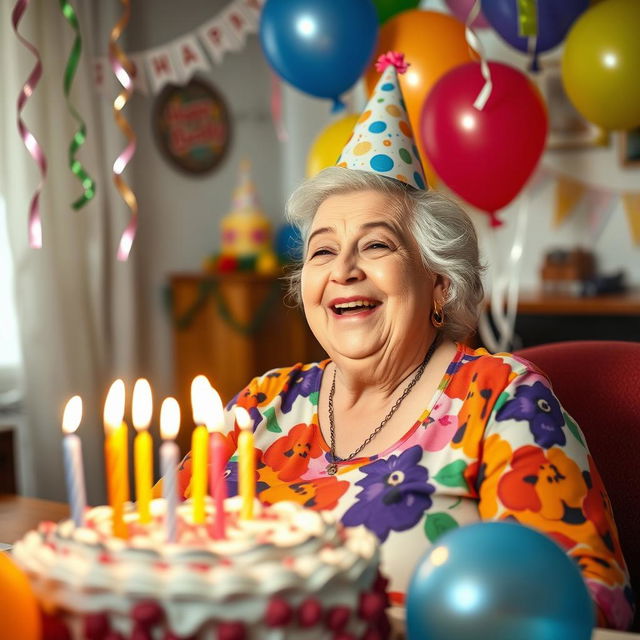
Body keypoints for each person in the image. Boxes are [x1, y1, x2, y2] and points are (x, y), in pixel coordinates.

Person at [175, 54, 634, 631]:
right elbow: (154, 539)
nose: (342, 269)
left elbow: (589, 603)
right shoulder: (261, 404)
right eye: (321, 250)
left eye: (376, 246)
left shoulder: (500, 400)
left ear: (438, 283)